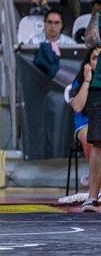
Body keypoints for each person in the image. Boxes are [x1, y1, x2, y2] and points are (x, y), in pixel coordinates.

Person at [70, 47, 101, 210]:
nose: (97, 61)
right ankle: (94, 189)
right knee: (93, 138)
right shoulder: (81, 80)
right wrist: (88, 80)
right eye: (94, 58)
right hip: (84, 123)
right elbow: (77, 106)